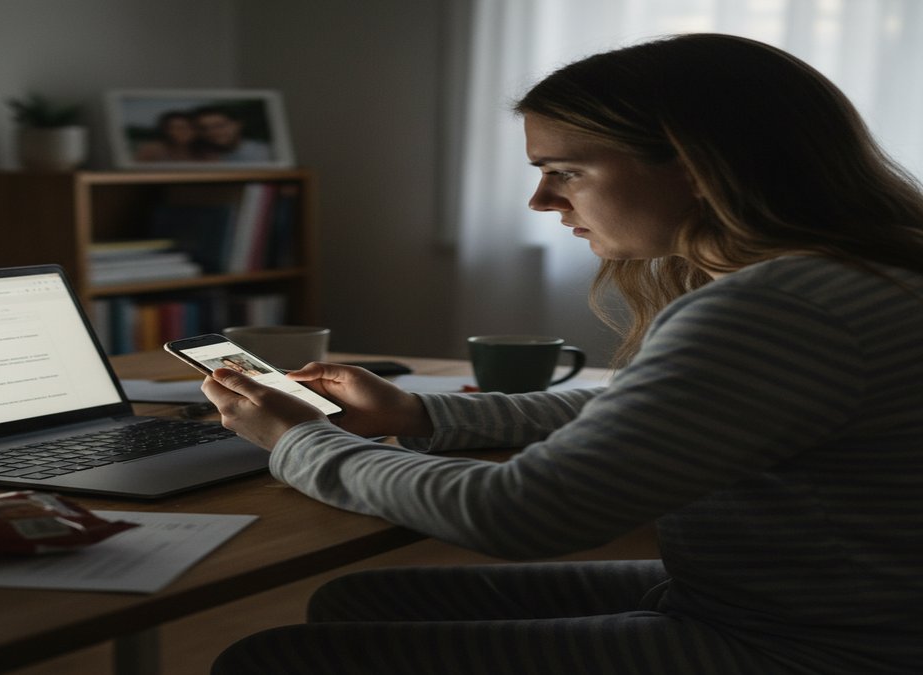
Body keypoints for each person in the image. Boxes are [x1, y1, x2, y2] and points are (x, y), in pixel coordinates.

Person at [200, 33, 923, 674]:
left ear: (695, 167)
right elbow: (641, 411)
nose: (542, 200)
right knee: (366, 594)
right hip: (815, 605)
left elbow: (519, 513)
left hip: (815, 647)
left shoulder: (782, 306)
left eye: (567, 171)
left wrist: (297, 438)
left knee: (273, 659)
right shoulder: (855, 273)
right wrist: (419, 412)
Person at [192, 105, 273, 162]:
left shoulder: (266, 152)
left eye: (219, 125)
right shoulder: (201, 157)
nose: (211, 132)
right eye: (204, 128)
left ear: (238, 124)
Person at [133, 110, 201, 162]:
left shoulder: (200, 151)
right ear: (166, 131)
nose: (185, 131)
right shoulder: (152, 150)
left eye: (189, 127)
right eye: (179, 128)